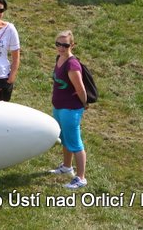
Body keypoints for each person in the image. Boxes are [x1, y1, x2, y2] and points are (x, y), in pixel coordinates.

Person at [49, 30, 89, 189]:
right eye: (58, 44)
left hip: (70, 109)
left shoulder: (72, 65)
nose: (61, 48)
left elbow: (80, 89)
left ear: (72, 45)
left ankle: (81, 178)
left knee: (75, 142)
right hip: (59, 107)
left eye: (65, 45)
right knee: (65, 137)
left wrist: (84, 104)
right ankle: (67, 167)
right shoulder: (59, 58)